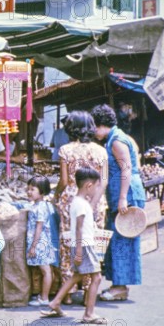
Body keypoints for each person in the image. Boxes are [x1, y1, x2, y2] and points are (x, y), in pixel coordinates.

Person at [92, 104, 146, 301]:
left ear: (101, 125)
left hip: (128, 194)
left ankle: (120, 287)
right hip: (121, 194)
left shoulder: (116, 141)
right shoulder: (112, 139)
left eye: (94, 128)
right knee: (117, 241)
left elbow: (126, 169)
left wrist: (123, 197)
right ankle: (118, 285)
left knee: (122, 242)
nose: (93, 133)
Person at [53, 111, 108, 304]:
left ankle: (67, 294)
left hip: (71, 203)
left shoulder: (66, 150)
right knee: (92, 245)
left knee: (69, 244)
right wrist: (93, 204)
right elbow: (104, 181)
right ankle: (88, 292)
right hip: (96, 202)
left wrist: (55, 195)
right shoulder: (101, 151)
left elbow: (65, 180)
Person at [41, 167, 107, 324]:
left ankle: (55, 302)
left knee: (77, 275)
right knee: (96, 277)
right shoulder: (82, 205)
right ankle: (89, 313)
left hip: (81, 245)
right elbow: (78, 228)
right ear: (89, 186)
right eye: (97, 186)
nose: (97, 190)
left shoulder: (77, 202)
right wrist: (78, 251)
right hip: (84, 245)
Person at [25, 176, 57, 306]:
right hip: (40, 242)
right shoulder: (38, 205)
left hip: (40, 243)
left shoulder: (41, 207)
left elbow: (39, 227)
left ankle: (44, 298)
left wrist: (33, 246)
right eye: (28, 189)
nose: (29, 192)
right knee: (46, 269)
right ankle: (43, 295)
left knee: (45, 270)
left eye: (32, 189)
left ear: (42, 191)